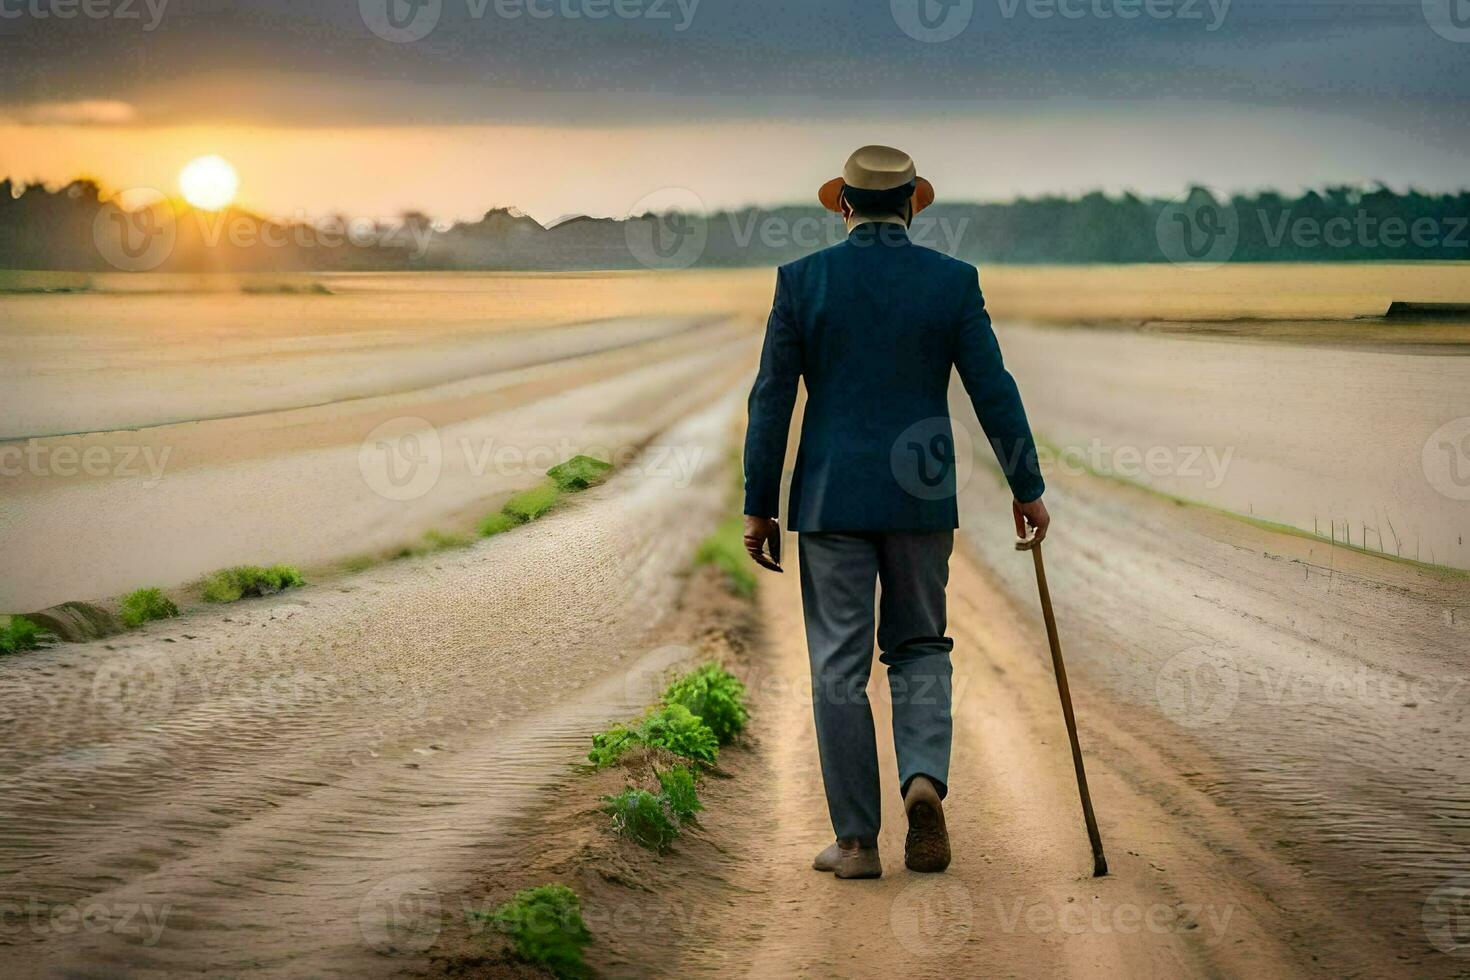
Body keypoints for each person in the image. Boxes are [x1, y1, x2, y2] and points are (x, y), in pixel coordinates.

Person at [741, 145, 1049, 879]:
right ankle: (921, 781)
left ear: (844, 206)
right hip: (920, 491)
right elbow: (992, 389)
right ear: (912, 203)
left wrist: (759, 505)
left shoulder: (801, 281)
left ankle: (854, 844)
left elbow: (771, 400)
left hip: (829, 497)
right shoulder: (952, 283)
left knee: (838, 667)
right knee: (918, 644)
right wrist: (1025, 484)